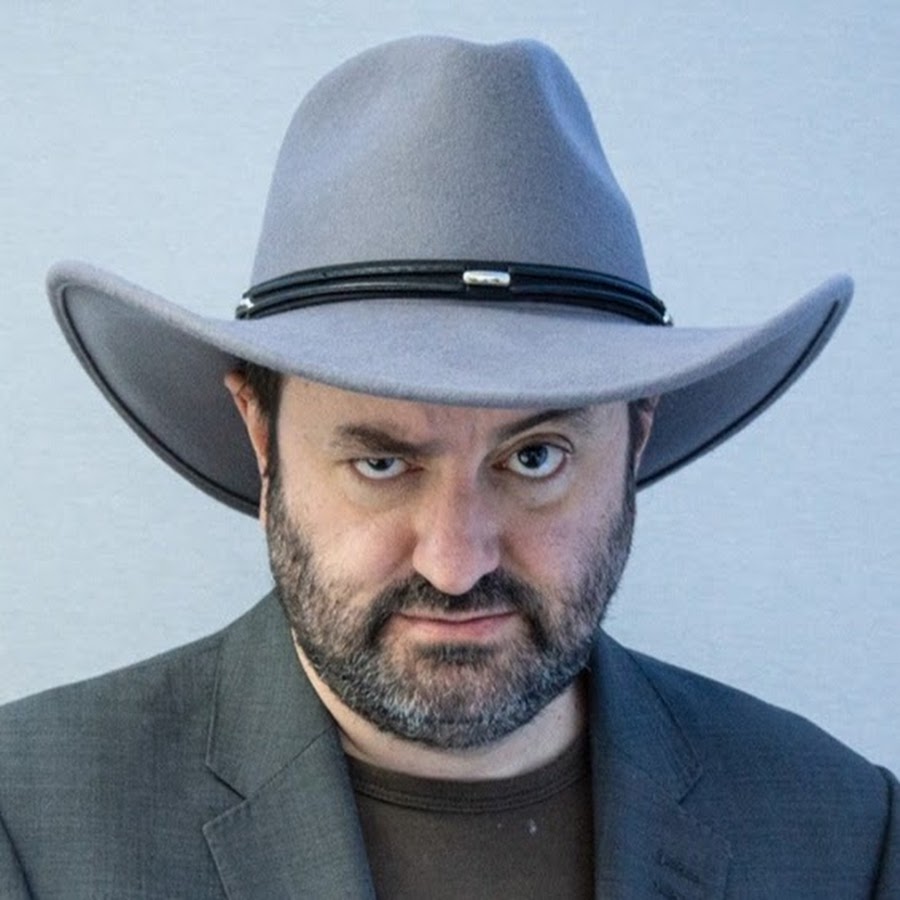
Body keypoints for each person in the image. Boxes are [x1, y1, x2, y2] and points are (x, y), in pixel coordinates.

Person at [0, 35, 895, 899]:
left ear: (637, 440)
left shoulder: (848, 836)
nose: (455, 563)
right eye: (381, 462)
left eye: (534, 458)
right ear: (261, 439)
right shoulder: (30, 825)